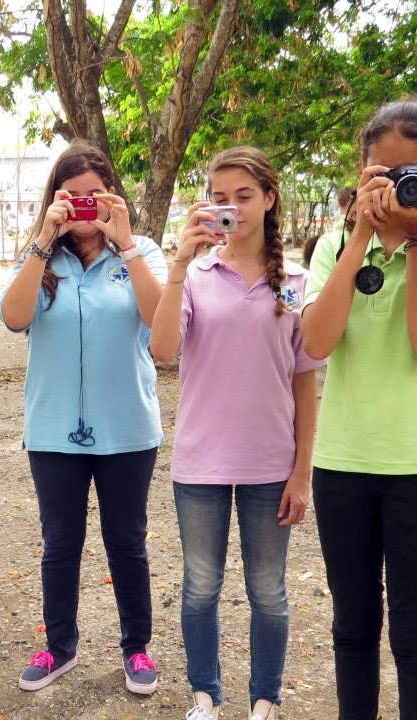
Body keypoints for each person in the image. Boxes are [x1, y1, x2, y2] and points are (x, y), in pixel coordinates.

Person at [299, 98, 417, 720]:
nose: (396, 184)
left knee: (413, 633)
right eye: (380, 173)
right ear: (361, 173)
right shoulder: (332, 244)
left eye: (412, 173)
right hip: (344, 462)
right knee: (351, 628)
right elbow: (316, 343)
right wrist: (358, 234)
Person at [150, 146, 324, 720]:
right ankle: (205, 694)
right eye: (220, 198)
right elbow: (162, 351)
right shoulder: (196, 276)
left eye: (244, 197)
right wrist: (179, 262)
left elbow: (304, 379)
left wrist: (303, 471)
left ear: (269, 199)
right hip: (200, 461)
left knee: (268, 592)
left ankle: (264, 699)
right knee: (200, 587)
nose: (232, 209)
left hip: (271, 463)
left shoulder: (293, 282)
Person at [0, 142, 167, 695]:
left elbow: (160, 322)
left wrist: (126, 245)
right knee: (60, 542)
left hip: (126, 430)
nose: (82, 207)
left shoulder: (141, 251)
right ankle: (59, 648)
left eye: (93, 196)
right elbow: (14, 318)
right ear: (54, 201)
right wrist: (43, 242)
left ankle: (136, 649)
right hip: (53, 432)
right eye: (70, 198)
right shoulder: (40, 256)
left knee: (127, 542)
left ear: (113, 197)